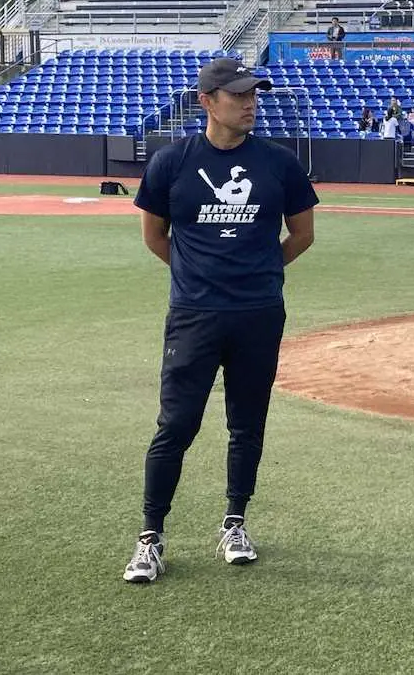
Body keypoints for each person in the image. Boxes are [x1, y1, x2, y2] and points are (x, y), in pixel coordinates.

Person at [123, 57, 319, 583]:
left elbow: (302, 235)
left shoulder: (280, 163)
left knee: (247, 424)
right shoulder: (171, 162)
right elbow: (154, 236)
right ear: (207, 101)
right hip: (194, 314)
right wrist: (199, 277)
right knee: (176, 425)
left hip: (258, 313)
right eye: (238, 95)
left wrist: (255, 271)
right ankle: (150, 536)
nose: (250, 103)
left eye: (254, 95)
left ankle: (235, 522)